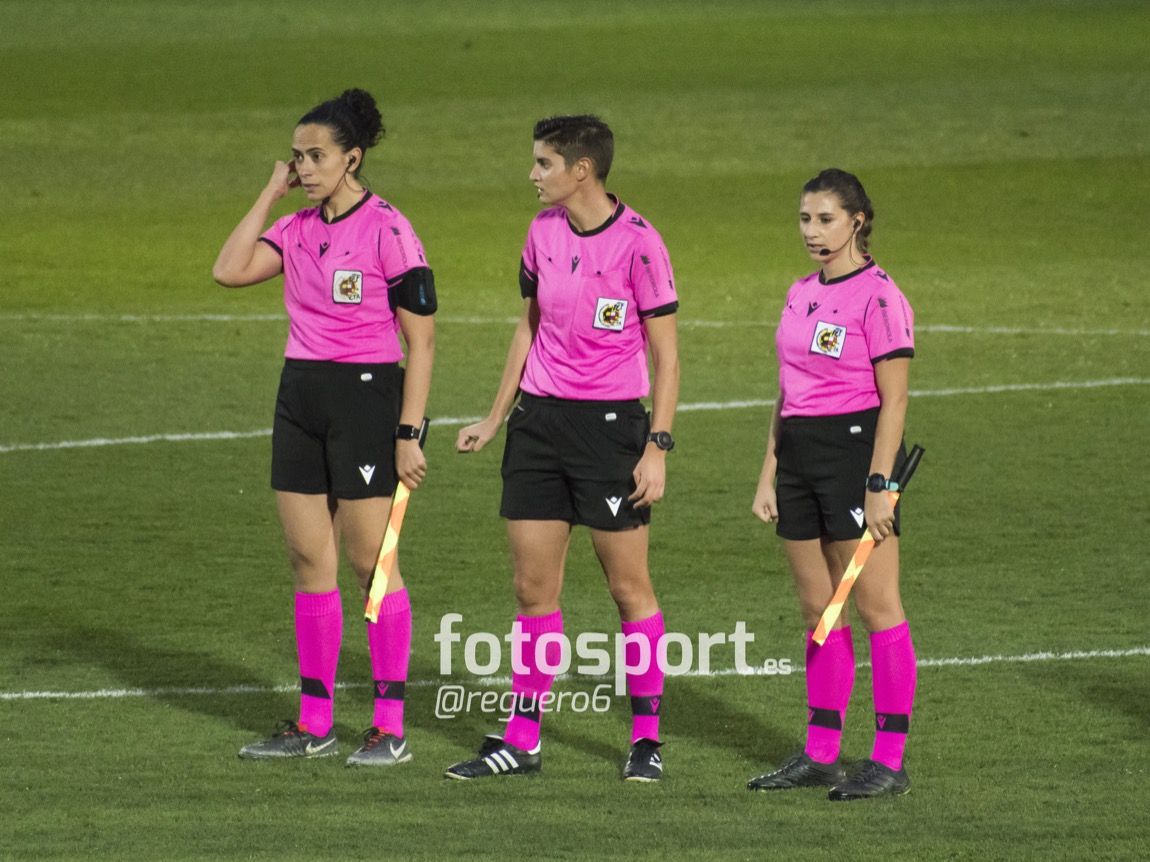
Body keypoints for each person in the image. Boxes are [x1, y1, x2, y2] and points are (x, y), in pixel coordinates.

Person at [445, 115, 680, 782]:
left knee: (628, 588)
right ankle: (522, 741)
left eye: (543, 163)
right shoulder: (542, 231)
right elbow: (528, 327)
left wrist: (657, 446)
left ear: (582, 170)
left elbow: (666, 356)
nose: (532, 175)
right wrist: (496, 417)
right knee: (532, 589)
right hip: (539, 425)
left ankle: (646, 739)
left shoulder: (640, 244)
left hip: (610, 431)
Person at [212, 88, 436, 766]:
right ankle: (315, 723)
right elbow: (228, 271)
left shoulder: (389, 229)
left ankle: (390, 727)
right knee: (310, 562)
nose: (304, 168)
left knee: (372, 564)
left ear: (352, 158)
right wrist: (269, 193)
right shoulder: (296, 228)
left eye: (316, 157)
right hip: (299, 398)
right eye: (297, 157)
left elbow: (422, 341)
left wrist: (408, 432)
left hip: (366, 399)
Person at [747, 169, 917, 800]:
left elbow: (895, 400)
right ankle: (821, 754)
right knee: (820, 610)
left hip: (853, 458)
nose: (812, 232)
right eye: (805, 219)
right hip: (798, 458)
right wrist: (769, 473)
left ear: (857, 221)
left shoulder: (880, 298)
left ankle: (889, 761)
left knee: (877, 607)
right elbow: (786, 389)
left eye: (825, 220)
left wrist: (879, 483)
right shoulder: (799, 292)